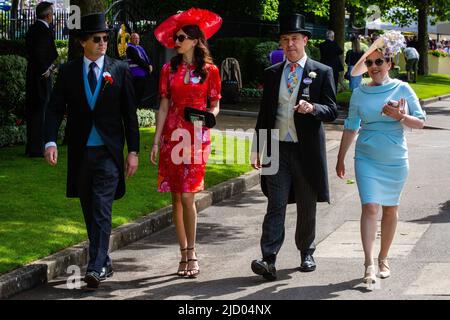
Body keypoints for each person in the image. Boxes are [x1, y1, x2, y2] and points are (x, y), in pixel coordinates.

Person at [43, 13, 140, 289]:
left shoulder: (119, 70)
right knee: (89, 207)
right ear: (82, 42)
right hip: (81, 152)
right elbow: (54, 109)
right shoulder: (70, 71)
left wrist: (133, 151)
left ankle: (95, 266)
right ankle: (104, 260)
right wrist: (50, 141)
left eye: (106, 39)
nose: (102, 43)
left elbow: (129, 115)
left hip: (109, 153)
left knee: (101, 207)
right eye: (97, 39)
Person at [250, 14, 338, 281]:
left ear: (305, 40)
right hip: (277, 148)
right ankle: (268, 258)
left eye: (295, 39)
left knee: (306, 204)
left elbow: (333, 110)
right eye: (285, 40)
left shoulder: (322, 72)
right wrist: (258, 147)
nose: (290, 44)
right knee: (275, 204)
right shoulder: (272, 74)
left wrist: (314, 108)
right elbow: (264, 114)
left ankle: (306, 252)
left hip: (306, 150)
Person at [336, 31, 426, 284]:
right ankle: (368, 263)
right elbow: (351, 126)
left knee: (390, 209)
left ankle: (384, 258)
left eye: (379, 62)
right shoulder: (359, 93)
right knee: (370, 206)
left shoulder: (403, 88)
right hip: (366, 157)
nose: (374, 67)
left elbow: (420, 122)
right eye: (369, 63)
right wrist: (341, 157)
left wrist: (400, 117)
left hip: (395, 159)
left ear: (389, 64)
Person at [150, 8, 222, 278]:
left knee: (188, 195)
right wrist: (156, 141)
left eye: (180, 38)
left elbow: (215, 104)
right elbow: (164, 104)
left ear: (194, 40)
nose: (176, 42)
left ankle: (192, 252)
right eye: (175, 38)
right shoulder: (168, 69)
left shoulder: (210, 71)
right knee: (176, 198)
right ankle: (183, 254)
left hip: (196, 138)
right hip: (173, 137)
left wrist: (208, 118)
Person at [24, 1, 58, 157]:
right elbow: (40, 52)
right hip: (41, 77)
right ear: (48, 15)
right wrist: (47, 69)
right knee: (41, 109)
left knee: (34, 110)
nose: (53, 16)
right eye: (52, 12)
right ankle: (38, 147)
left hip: (32, 75)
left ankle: (33, 146)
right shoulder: (43, 31)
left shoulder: (32, 29)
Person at [126, 32, 156, 109]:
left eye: (138, 38)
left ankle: (139, 108)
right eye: (135, 38)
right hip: (136, 74)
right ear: (131, 39)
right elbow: (138, 60)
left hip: (143, 73)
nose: (137, 40)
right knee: (137, 94)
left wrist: (150, 65)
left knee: (142, 93)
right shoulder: (130, 48)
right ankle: (135, 108)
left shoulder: (140, 48)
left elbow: (147, 58)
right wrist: (147, 67)